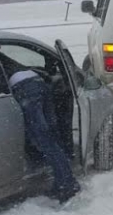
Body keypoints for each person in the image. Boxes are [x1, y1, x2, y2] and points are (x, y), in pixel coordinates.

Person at [8, 70, 81, 203]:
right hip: (38, 81)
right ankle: (63, 182)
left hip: (24, 87)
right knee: (52, 137)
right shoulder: (7, 61)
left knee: (44, 140)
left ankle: (67, 185)